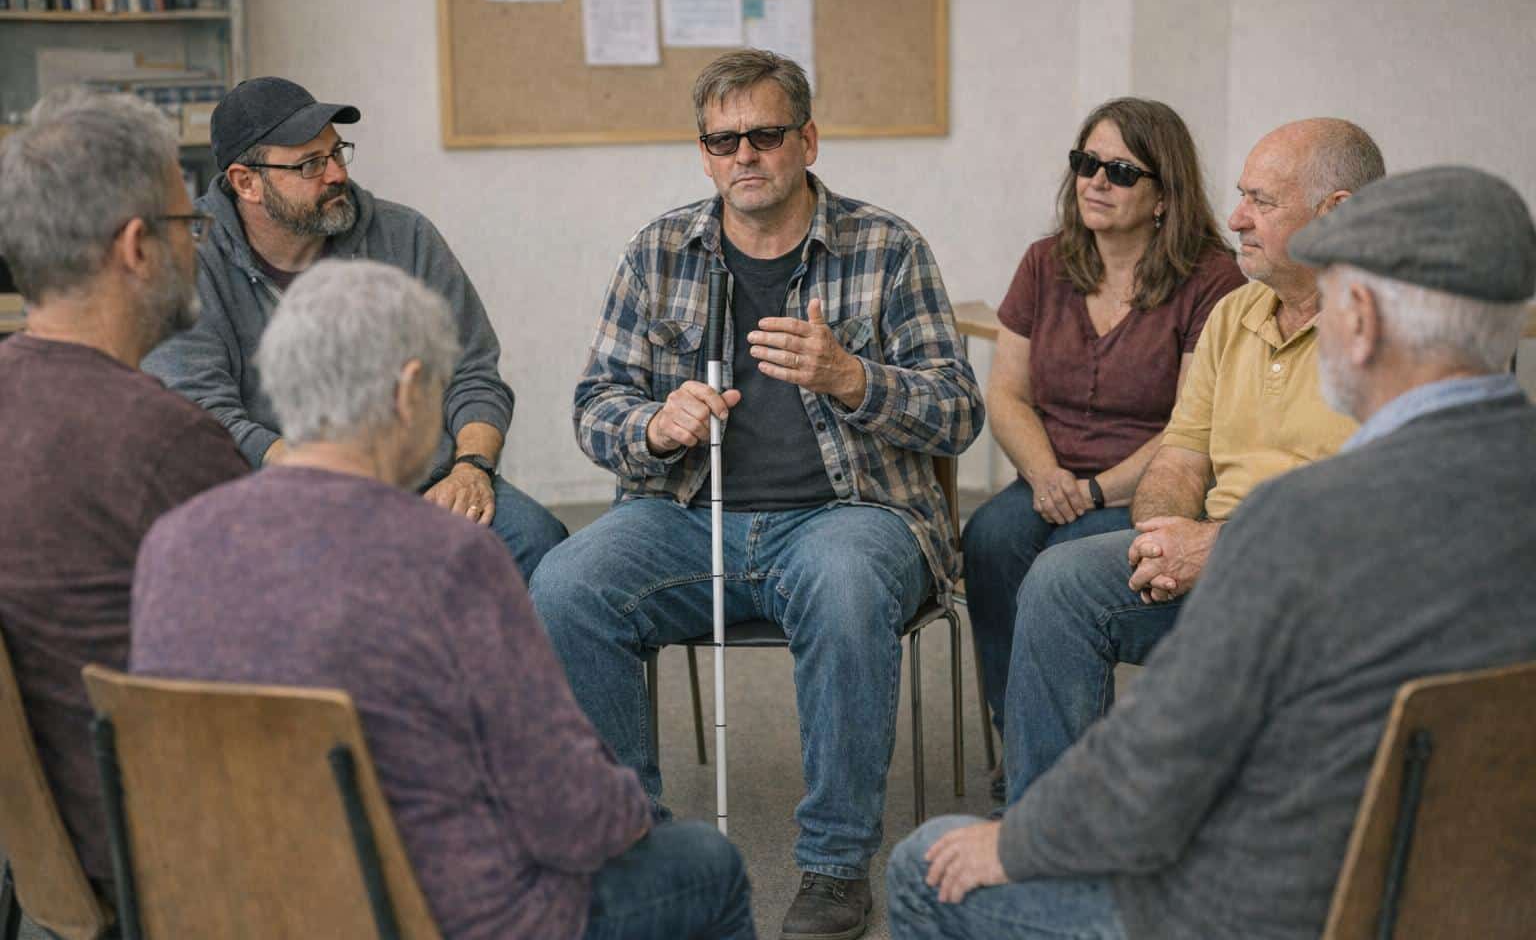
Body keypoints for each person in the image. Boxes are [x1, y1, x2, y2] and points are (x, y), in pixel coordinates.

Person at [884, 164, 1536, 940]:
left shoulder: (1301, 520)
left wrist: (1015, 843)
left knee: (925, 862)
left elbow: (1156, 769)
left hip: (1279, 908)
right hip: (1490, 893)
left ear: (1359, 317)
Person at [130, 261, 754, 940]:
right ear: (409, 392)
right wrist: (628, 811)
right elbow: (574, 815)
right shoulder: (450, 559)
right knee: (705, 863)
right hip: (426, 916)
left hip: (222, 908)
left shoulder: (172, 542)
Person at [530, 49, 982, 940]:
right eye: (723, 140)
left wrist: (855, 379)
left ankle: (835, 866)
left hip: (849, 514)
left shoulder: (888, 248)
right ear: (703, 154)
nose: (745, 154)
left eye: (766, 134)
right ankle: (636, 850)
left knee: (846, 587)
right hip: (686, 517)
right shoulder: (659, 251)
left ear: (807, 140)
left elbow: (959, 413)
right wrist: (656, 426)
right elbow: (594, 406)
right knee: (565, 586)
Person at [997, 117, 1383, 805]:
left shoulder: (1394, 331)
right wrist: (1165, 537)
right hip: (1214, 561)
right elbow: (1179, 455)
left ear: (1338, 214)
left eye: (1262, 202)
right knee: (1058, 581)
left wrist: (1222, 548)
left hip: (1320, 582)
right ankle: (1049, 829)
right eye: (1242, 196)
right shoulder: (1236, 314)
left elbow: (1383, 512)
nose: (1237, 218)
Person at [141, 76, 566, 582]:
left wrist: (472, 467)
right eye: (310, 164)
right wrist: (338, 484)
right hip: (277, 489)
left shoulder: (406, 235)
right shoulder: (186, 259)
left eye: (337, 153)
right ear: (246, 182)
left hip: (425, 481)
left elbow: (472, 372)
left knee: (542, 547)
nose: (337, 174)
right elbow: (201, 412)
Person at [0, 89, 248, 895]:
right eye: (189, 224)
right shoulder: (166, 443)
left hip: (51, 850)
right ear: (137, 246)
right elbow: (295, 667)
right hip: (196, 861)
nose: (197, 246)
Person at [961, 98, 1245, 760]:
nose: (1094, 181)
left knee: (1059, 567)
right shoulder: (1045, 262)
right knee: (988, 539)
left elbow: (1189, 424)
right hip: (1050, 476)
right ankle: (1022, 737)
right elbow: (1006, 393)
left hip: (1148, 486)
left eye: (1119, 171)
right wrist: (1046, 476)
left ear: (1164, 195)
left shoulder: (1212, 278)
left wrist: (1093, 492)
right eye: (1085, 163)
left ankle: (1076, 767)